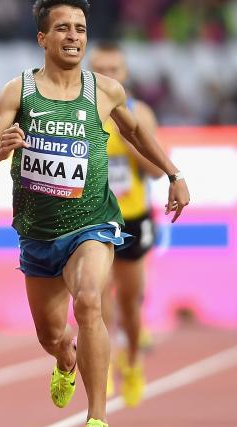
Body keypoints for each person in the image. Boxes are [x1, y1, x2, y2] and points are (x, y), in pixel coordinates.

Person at [0, 1, 190, 427]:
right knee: (51, 334)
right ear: (43, 39)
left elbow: (135, 131)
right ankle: (65, 358)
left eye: (80, 29)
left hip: (93, 224)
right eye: (63, 29)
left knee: (91, 301)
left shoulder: (104, 91)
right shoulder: (18, 93)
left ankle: (96, 424)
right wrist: (1, 151)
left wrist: (174, 173)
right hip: (38, 235)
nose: (73, 36)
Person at [89, 42, 164, 407]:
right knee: (96, 298)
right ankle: (101, 369)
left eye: (114, 69)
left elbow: (155, 170)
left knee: (130, 306)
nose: (107, 76)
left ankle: (132, 361)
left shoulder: (140, 114)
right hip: (93, 219)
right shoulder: (82, 112)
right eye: (100, 69)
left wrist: (128, 140)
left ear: (125, 74)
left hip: (132, 219)